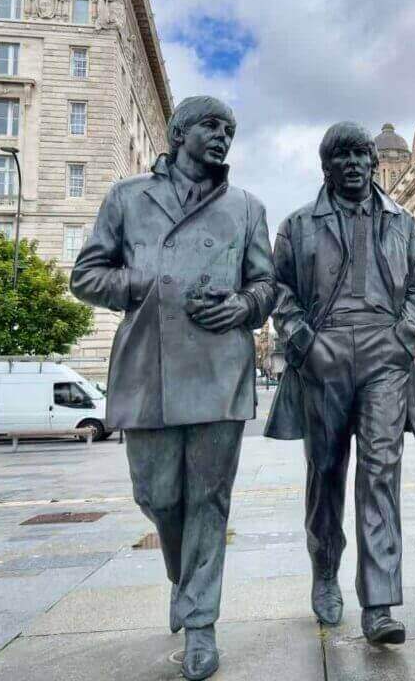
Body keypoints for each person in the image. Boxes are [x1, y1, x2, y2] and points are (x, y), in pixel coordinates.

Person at [71, 96, 276, 681]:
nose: (222, 136)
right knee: (159, 496)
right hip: (147, 368)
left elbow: (267, 286)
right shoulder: (127, 198)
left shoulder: (246, 207)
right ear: (179, 131)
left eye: (230, 129)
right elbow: (86, 275)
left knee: (210, 503)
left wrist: (242, 304)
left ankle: (200, 625)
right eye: (211, 125)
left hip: (220, 369)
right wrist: (147, 284)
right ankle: (185, 582)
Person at [265, 122, 415, 645]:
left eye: (363, 156)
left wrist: (406, 334)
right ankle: (324, 571)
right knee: (326, 472)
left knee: (381, 472)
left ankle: (379, 603)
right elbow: (280, 292)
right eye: (345, 157)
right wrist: (303, 342)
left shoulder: (403, 222)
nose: (357, 165)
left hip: (386, 352)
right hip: (325, 350)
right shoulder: (298, 225)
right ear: (327, 168)